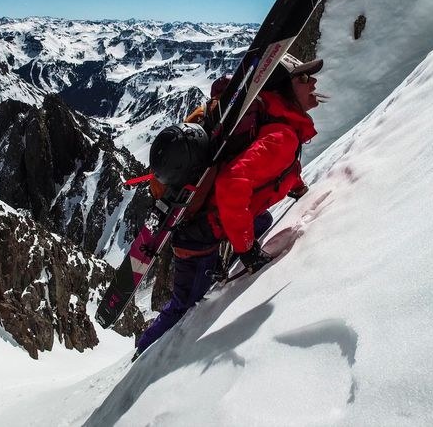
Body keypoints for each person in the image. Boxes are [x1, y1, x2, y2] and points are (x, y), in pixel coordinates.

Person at [134, 55, 324, 359]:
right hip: (199, 235)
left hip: (212, 217)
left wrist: (297, 185)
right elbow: (233, 182)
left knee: (261, 221)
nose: (313, 82)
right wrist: (246, 250)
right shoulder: (282, 134)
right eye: (303, 79)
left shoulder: (275, 119)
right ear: (284, 88)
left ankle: (229, 258)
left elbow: (278, 165)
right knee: (183, 306)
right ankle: (141, 358)